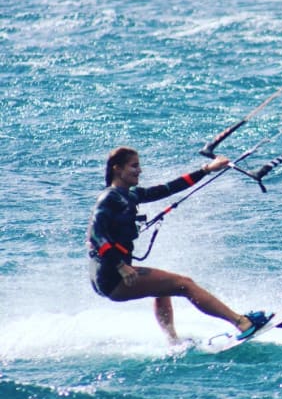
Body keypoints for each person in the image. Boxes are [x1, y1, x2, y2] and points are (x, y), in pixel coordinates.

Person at [87, 146, 268, 342]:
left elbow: (169, 188)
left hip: (108, 275)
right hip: (111, 276)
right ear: (117, 169)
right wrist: (121, 266)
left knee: (164, 288)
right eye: (134, 166)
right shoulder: (109, 198)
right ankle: (241, 322)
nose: (140, 170)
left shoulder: (129, 195)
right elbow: (95, 236)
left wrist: (206, 170)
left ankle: (173, 342)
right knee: (185, 284)